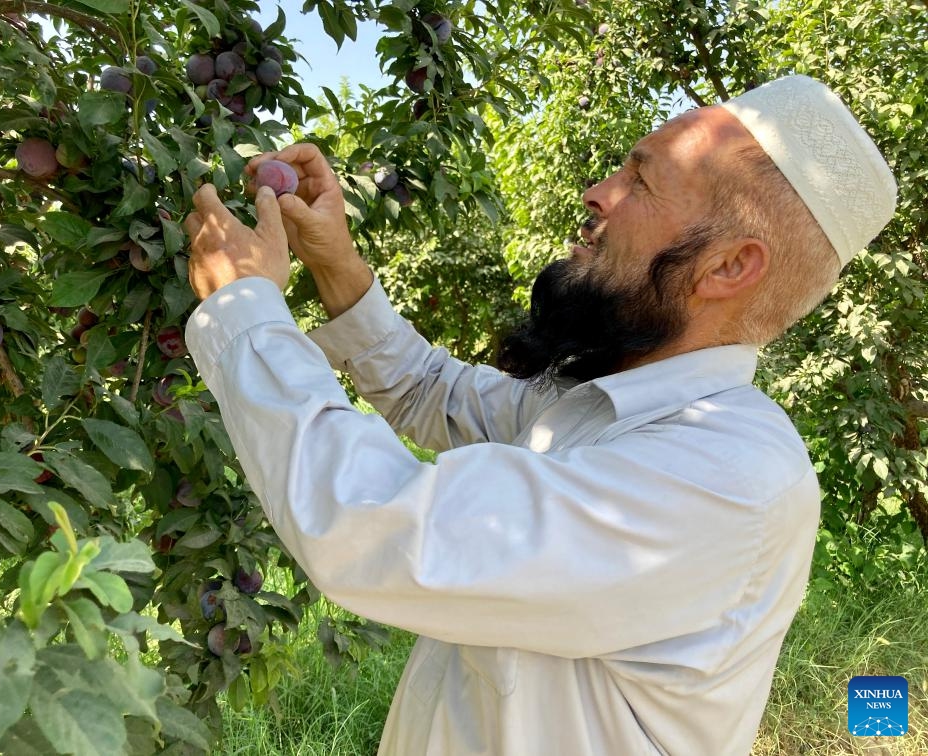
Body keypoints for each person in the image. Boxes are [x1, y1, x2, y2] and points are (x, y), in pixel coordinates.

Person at [182, 75, 897, 755]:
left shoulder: (728, 477)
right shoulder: (608, 405)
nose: (597, 193)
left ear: (727, 268)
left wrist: (245, 310)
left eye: (640, 180)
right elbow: (432, 390)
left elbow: (374, 526)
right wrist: (334, 260)